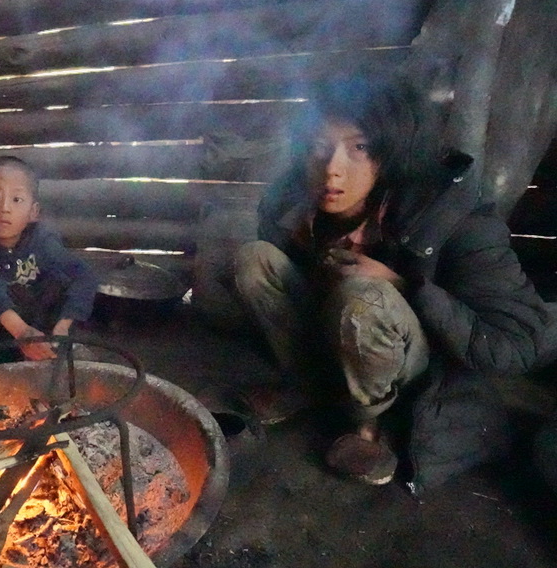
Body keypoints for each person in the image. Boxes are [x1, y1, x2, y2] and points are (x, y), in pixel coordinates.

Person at [230, 72, 552, 493]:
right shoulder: (293, 198)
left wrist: (405, 285)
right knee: (254, 259)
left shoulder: (451, 214)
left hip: (418, 377)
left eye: (359, 148)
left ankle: (370, 424)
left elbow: (516, 343)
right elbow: (288, 294)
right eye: (320, 147)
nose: (333, 170)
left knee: (365, 297)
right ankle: (309, 385)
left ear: (392, 155)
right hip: (335, 339)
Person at [0, 156, 98, 361]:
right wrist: (21, 331)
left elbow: (84, 275)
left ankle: (57, 346)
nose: (5, 208)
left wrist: (63, 326)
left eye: (17, 199)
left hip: (40, 329)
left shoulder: (43, 240)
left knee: (59, 281)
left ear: (33, 212)